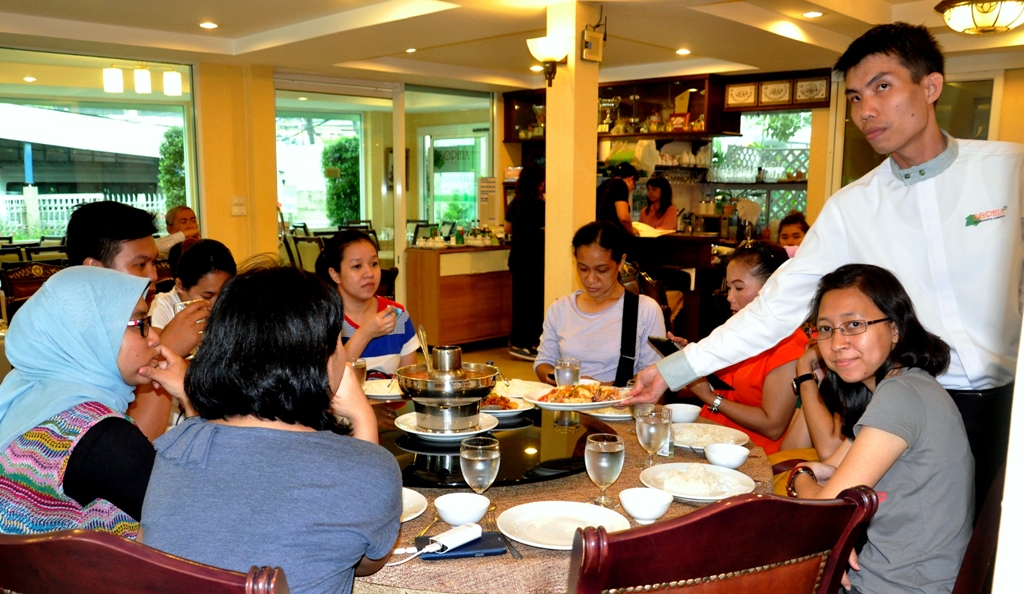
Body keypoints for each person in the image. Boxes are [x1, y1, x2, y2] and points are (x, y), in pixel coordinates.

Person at [626, 22, 1021, 512]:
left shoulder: (1009, 170)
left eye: (882, 86)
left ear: (931, 86)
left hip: (1011, 404)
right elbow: (775, 307)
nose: (865, 109)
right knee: (906, 538)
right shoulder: (852, 207)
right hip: (906, 407)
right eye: (854, 97)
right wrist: (674, 368)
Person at [141, 264, 398, 594]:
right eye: (338, 340)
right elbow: (365, 562)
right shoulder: (369, 467)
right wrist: (363, 417)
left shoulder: (173, 448)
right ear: (319, 359)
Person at [788, 264, 972, 594]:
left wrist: (799, 475)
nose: (837, 343)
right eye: (826, 329)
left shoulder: (903, 395)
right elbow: (834, 467)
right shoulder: (903, 386)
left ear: (895, 329)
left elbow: (824, 511)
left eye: (854, 324)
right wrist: (831, 509)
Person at [0, 267, 179, 537]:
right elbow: (196, 518)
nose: (154, 337)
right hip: (88, 567)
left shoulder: (24, 393)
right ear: (92, 333)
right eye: (141, 323)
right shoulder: (99, 435)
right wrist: (191, 399)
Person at [66, 200, 210, 440]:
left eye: (153, 263)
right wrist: (166, 353)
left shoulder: (134, 322)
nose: (153, 276)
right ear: (94, 269)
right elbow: (137, 444)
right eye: (140, 264)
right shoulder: (72, 341)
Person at [686, 241, 805, 454]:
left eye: (739, 288)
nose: (730, 297)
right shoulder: (737, 332)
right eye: (729, 287)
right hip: (709, 440)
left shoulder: (789, 344)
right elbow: (728, 387)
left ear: (772, 289)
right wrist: (695, 360)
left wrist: (710, 398)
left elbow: (773, 426)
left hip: (748, 456)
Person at [535, 221, 664, 385]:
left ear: (621, 262)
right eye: (583, 268)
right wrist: (560, 378)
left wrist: (594, 388)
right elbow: (543, 363)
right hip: (568, 399)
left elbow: (654, 378)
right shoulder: (560, 308)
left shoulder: (644, 310)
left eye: (602, 270)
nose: (591, 279)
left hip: (622, 400)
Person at [315, 229, 418, 379]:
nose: (369, 273)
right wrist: (365, 333)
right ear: (335, 274)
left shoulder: (397, 315)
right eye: (357, 266)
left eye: (374, 264)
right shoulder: (323, 319)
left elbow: (409, 379)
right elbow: (328, 380)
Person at [504, 163, 546, 361]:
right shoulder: (540, 205)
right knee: (533, 303)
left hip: (517, 258)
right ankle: (530, 343)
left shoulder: (516, 201)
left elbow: (507, 228)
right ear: (539, 183)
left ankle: (518, 342)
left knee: (520, 302)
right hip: (534, 259)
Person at [150, 239, 236, 331]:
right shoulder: (158, 306)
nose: (217, 305)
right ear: (180, 286)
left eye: (223, 295)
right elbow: (157, 340)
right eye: (207, 296)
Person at [596, 163, 640, 236]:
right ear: (631, 179)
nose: (632, 189)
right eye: (634, 185)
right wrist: (631, 230)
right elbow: (623, 218)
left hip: (600, 233)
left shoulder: (604, 185)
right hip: (612, 234)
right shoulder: (620, 185)